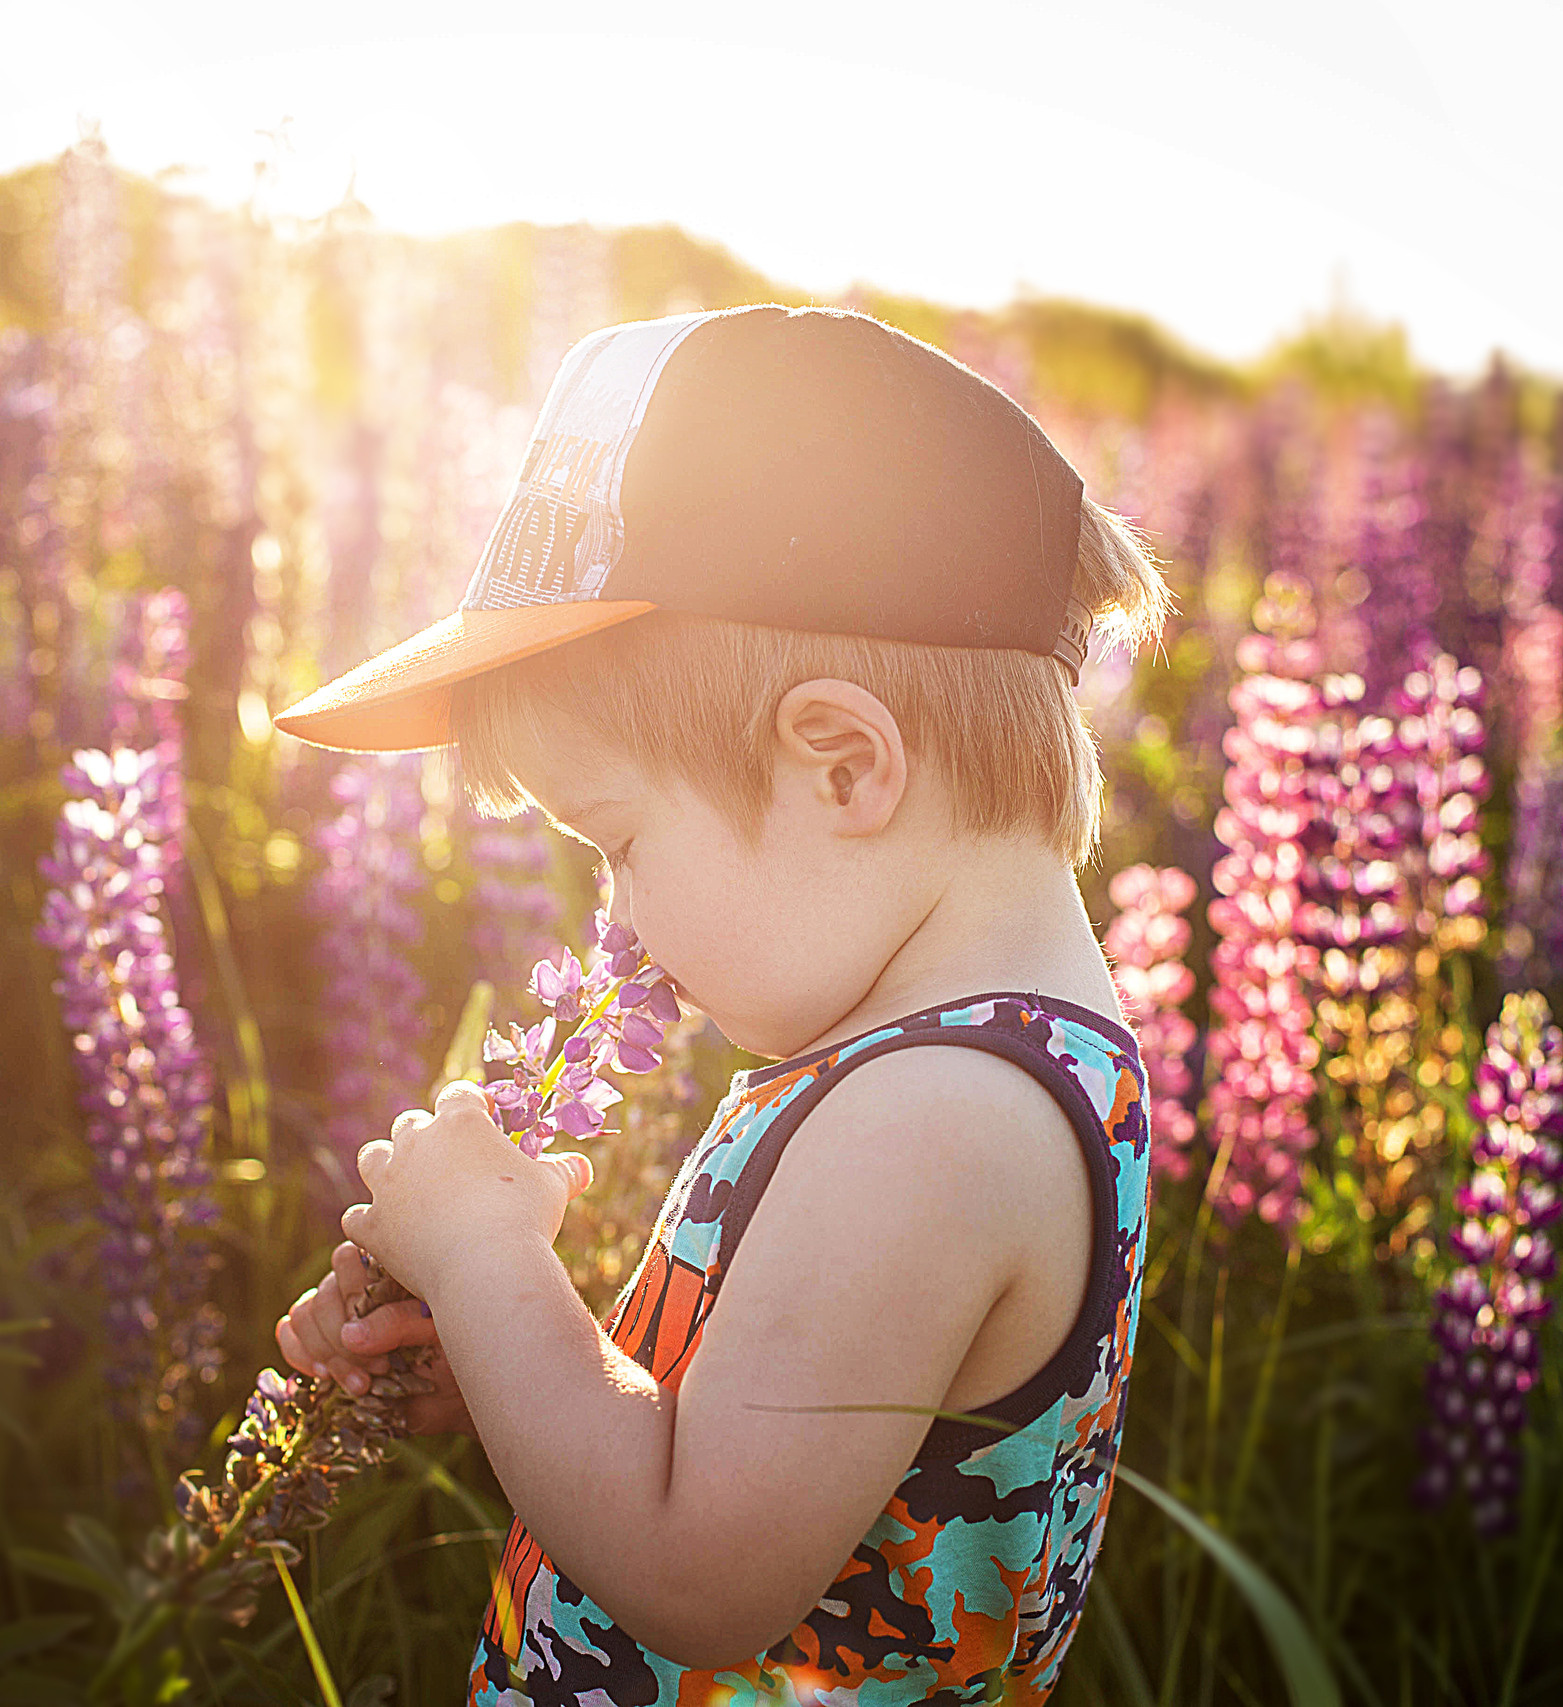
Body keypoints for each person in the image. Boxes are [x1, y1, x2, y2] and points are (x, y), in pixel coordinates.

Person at [271, 303, 1170, 1704]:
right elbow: (736, 1464)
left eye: (619, 840)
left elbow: (701, 1573)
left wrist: (501, 1265)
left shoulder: (939, 1122)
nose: (614, 921)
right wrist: (510, 1380)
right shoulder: (942, 1070)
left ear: (841, 768)